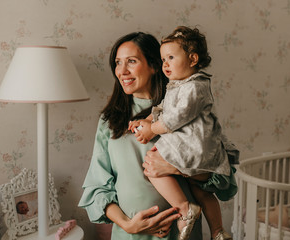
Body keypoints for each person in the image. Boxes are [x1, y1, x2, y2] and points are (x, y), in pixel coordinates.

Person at [78, 32, 203, 240]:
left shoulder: (182, 112)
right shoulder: (110, 121)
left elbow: (216, 177)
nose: (122, 71)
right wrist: (128, 225)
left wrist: (178, 169)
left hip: (179, 233)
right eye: (118, 63)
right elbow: (97, 187)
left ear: (155, 66)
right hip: (130, 235)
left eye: (131, 61)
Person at [128, 26, 240, 240]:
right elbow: (162, 108)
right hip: (195, 146)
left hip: (193, 145)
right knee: (202, 191)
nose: (165, 64)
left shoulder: (196, 86)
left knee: (151, 165)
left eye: (170, 57)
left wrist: (152, 129)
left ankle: (185, 209)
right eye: (163, 60)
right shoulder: (178, 85)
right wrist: (148, 119)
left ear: (193, 59)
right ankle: (217, 230)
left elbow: (176, 117)